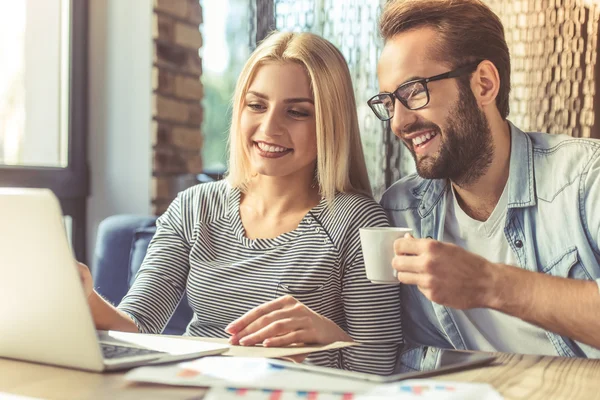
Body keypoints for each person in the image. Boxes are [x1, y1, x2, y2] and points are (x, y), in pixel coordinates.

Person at [79, 31, 403, 374]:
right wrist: (81, 295)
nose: (269, 127)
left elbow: (377, 369)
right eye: (257, 105)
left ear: (330, 122)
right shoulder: (194, 208)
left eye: (296, 112)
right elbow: (136, 327)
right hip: (193, 389)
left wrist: (328, 335)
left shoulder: (359, 224)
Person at [367, 0, 600, 366]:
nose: (398, 122)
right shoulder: (402, 211)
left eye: (413, 92)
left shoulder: (586, 179)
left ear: (484, 84)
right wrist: (333, 340)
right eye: (388, 101)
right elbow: (400, 355)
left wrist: (489, 283)